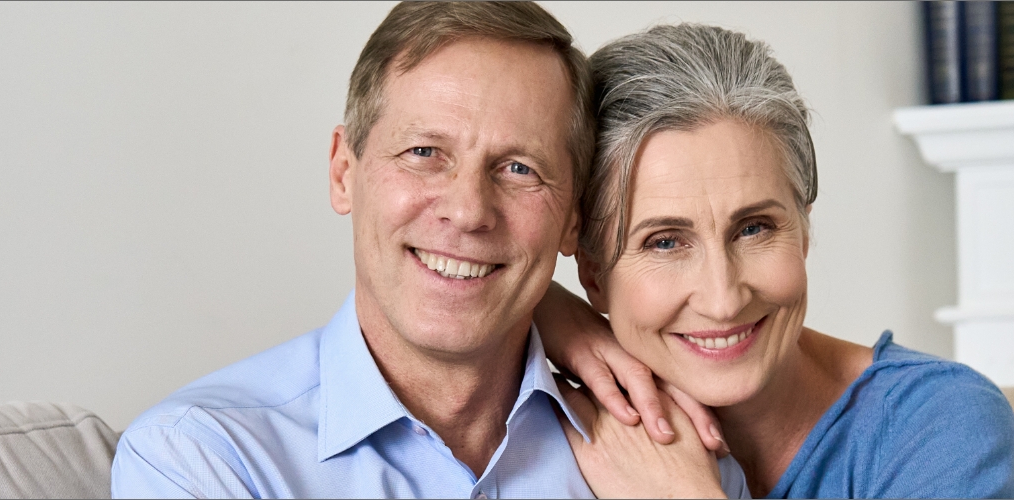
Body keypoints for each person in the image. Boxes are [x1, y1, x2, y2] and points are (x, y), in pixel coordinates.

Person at [110, 3, 747, 498]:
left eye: (520, 168)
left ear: (572, 219)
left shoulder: (673, 455)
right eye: (423, 154)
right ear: (344, 172)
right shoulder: (202, 459)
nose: (468, 210)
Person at [535, 23, 1014, 499]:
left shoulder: (938, 427)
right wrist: (540, 305)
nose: (724, 298)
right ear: (592, 271)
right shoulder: (538, 427)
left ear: (804, 230)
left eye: (754, 229)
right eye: (664, 242)